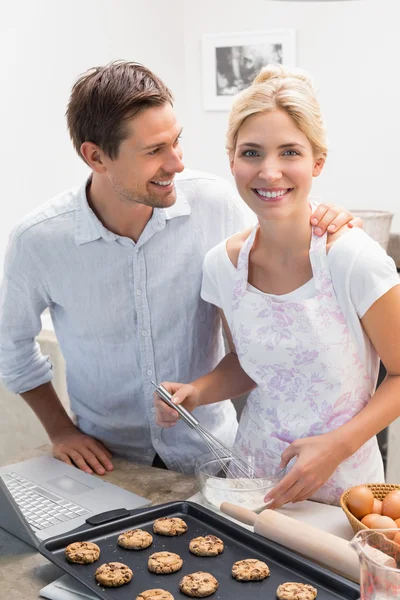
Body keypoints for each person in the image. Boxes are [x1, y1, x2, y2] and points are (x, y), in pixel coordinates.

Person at [0, 61, 359, 477]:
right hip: (108, 464)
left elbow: (277, 249)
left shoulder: (215, 204)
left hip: (213, 455)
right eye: (154, 151)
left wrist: (326, 220)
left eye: (176, 142)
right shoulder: (39, 241)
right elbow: (13, 351)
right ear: (96, 156)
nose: (176, 163)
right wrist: (61, 431)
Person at [154, 64, 400, 505]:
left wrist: (337, 446)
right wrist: (198, 391)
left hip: (345, 489)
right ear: (231, 159)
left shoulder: (353, 260)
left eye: (289, 152)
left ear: (317, 162)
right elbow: (249, 363)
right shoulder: (222, 266)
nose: (269, 172)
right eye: (251, 153)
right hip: (252, 480)